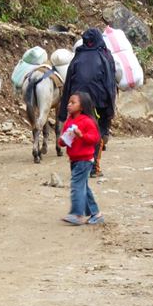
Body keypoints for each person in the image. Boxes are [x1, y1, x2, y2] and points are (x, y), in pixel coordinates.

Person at [58, 28, 117, 178]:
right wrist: (110, 107)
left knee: (76, 128)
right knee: (97, 131)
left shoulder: (78, 56)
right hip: (98, 101)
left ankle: (77, 165)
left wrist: (67, 105)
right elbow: (110, 80)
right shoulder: (105, 55)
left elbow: (69, 81)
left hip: (77, 100)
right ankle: (94, 168)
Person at [58, 91, 104, 225]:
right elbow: (61, 141)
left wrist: (81, 135)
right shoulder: (69, 121)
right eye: (69, 102)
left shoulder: (88, 122)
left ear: (82, 106)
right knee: (83, 186)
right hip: (74, 159)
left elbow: (94, 139)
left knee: (76, 185)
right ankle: (96, 213)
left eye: (73, 103)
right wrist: (63, 140)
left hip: (84, 160)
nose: (69, 105)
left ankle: (77, 214)